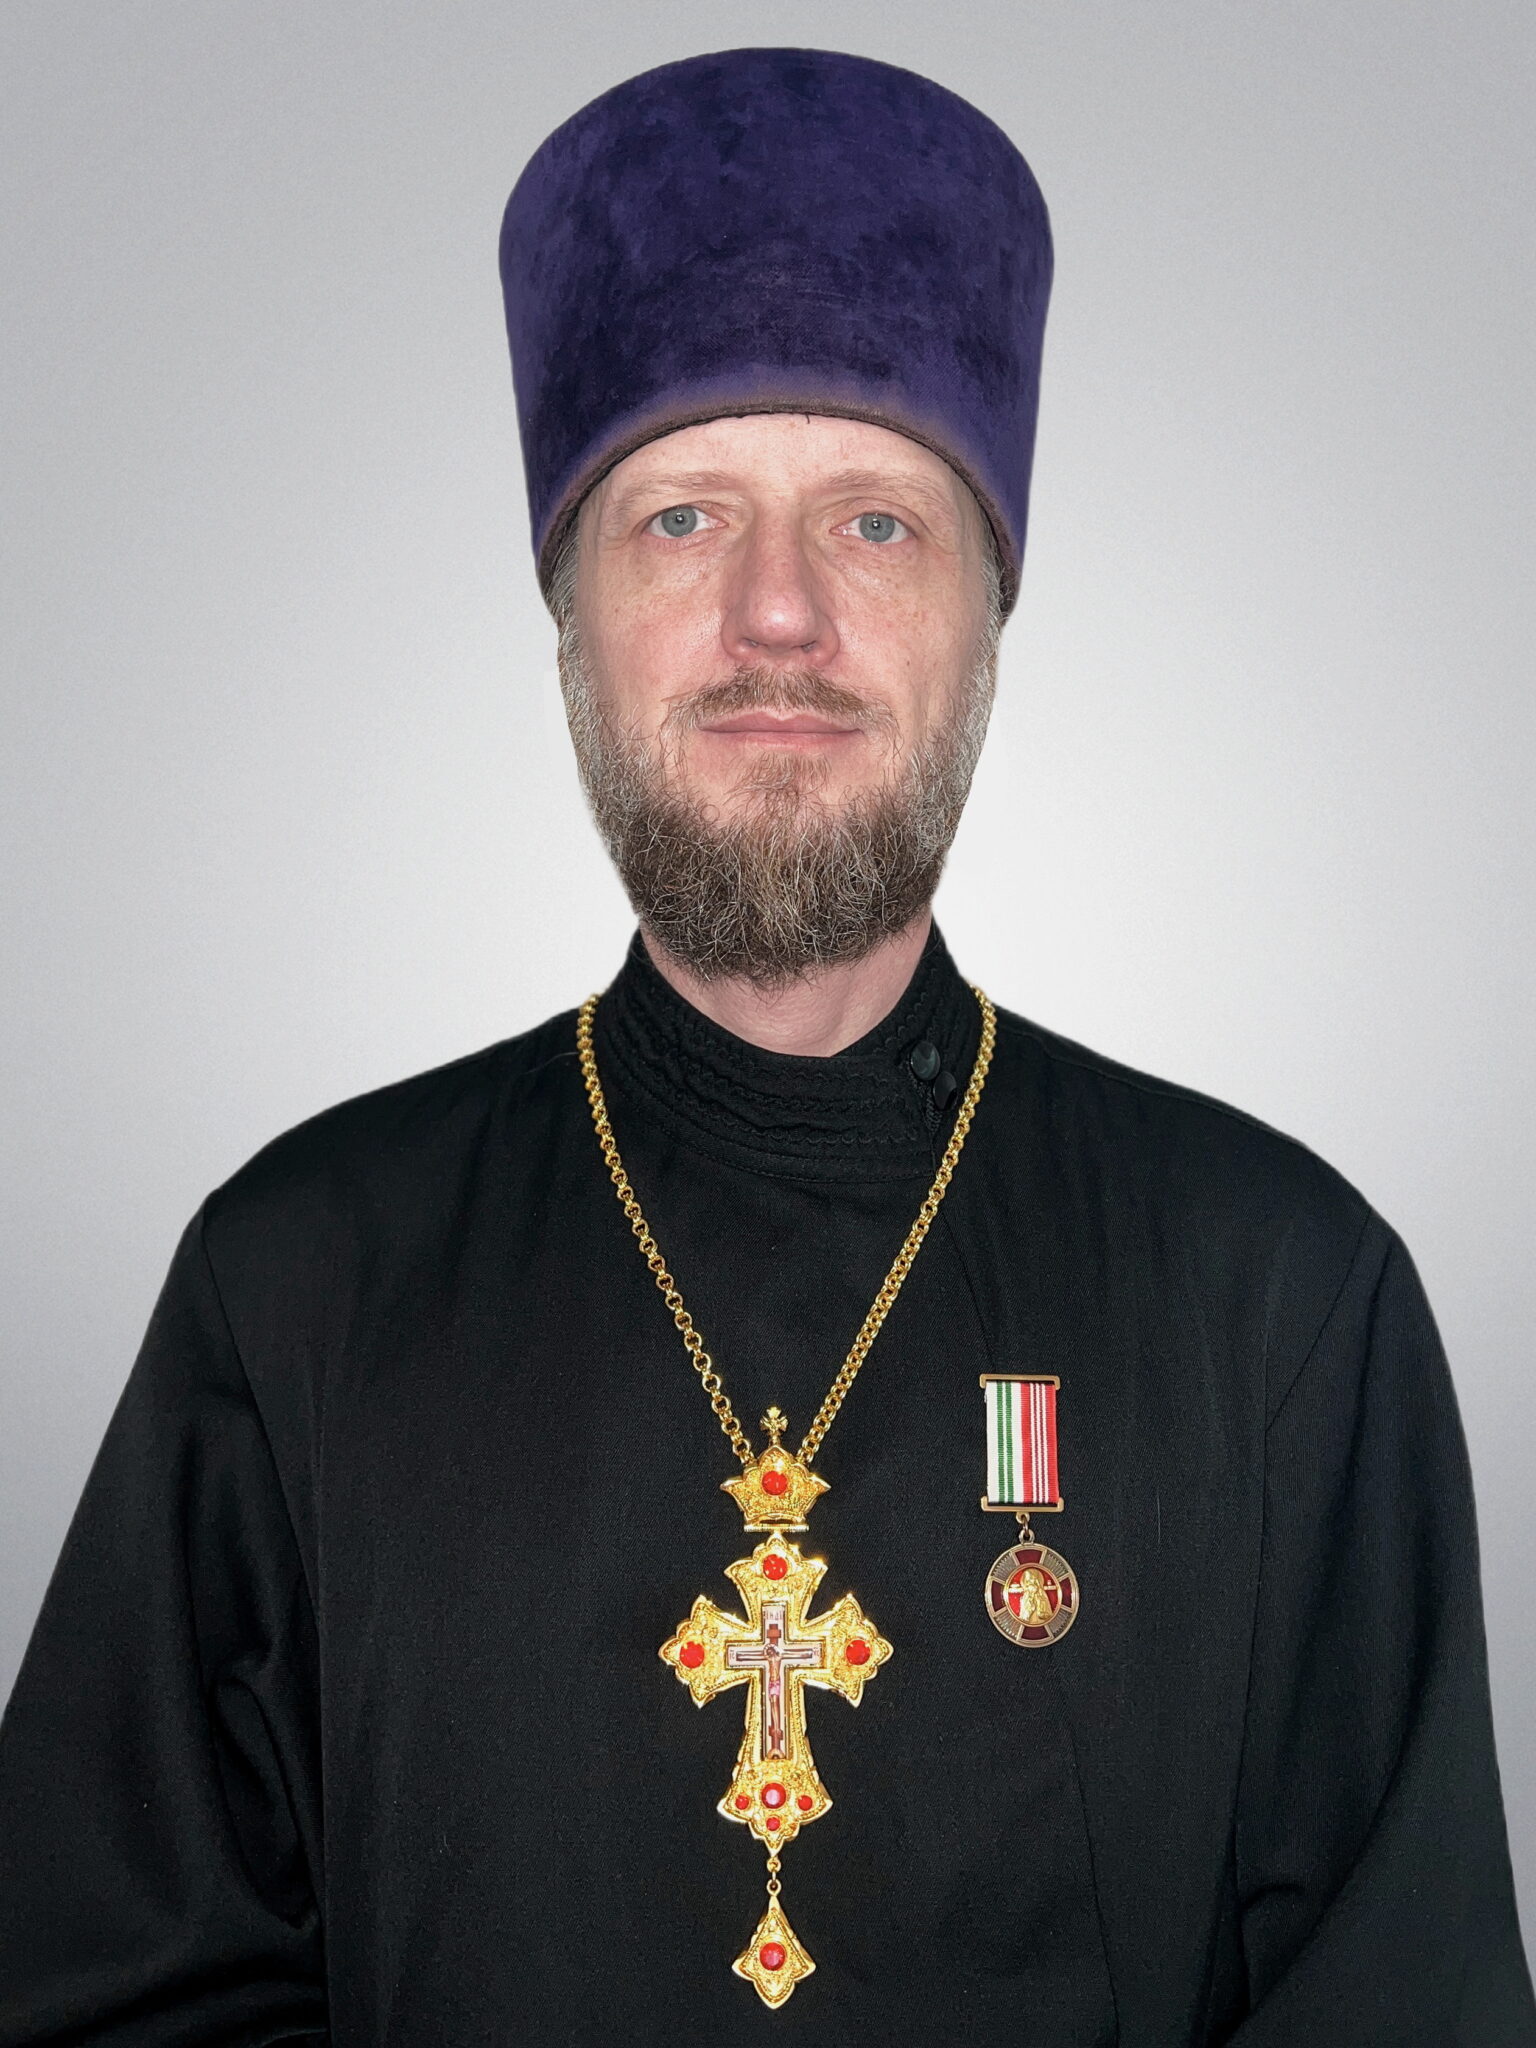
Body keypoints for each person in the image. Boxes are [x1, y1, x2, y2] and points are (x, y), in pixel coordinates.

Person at [0, 45, 1530, 2047]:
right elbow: (109, 1996)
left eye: (877, 523)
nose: (780, 615)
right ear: (573, 620)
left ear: (989, 619)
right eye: (684, 517)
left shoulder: (1283, 1295)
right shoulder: (298, 1278)